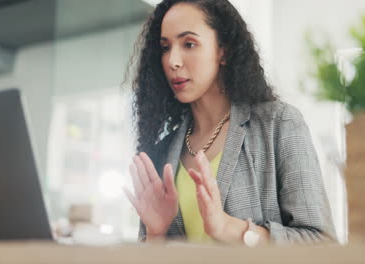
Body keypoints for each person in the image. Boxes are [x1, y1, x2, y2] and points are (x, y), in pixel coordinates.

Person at [123, 0, 336, 245]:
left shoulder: (278, 125)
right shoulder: (161, 153)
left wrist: (229, 229)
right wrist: (156, 234)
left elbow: (321, 242)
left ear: (223, 50)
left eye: (189, 44)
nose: (173, 61)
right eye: (165, 47)